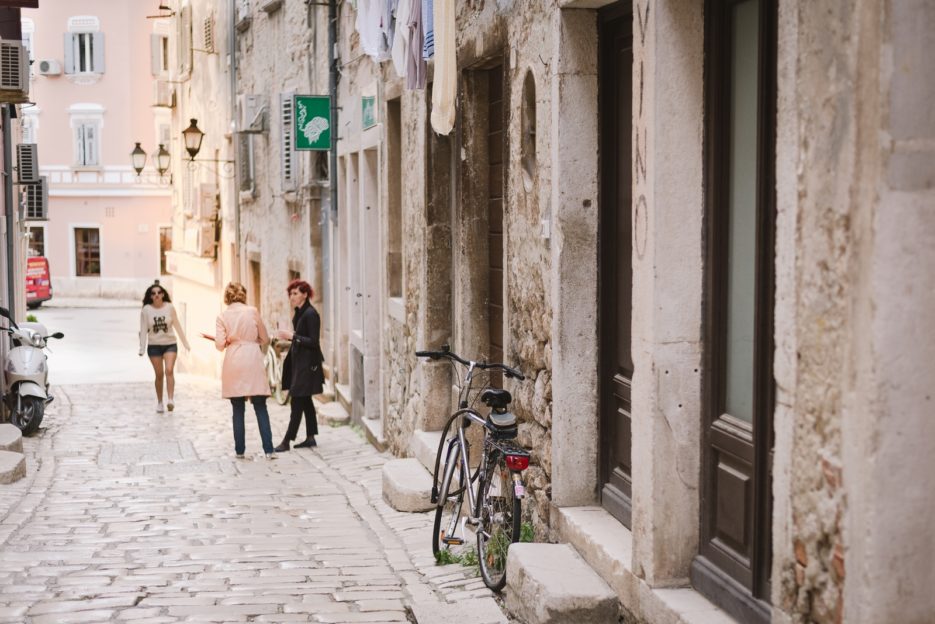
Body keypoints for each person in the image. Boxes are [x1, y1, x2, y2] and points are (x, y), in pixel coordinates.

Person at [214, 282, 276, 459]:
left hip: (233, 359)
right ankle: (269, 450)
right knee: (260, 406)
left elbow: (219, 344)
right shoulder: (252, 311)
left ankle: (240, 450)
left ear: (227, 297)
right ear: (243, 295)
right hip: (252, 358)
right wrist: (252, 339)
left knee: (238, 408)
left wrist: (228, 341)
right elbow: (264, 338)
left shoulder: (222, 316)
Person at [274, 279, 324, 451]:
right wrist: (291, 335)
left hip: (308, 365)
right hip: (300, 363)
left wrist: (292, 336)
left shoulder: (311, 314)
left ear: (305, 294)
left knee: (297, 402)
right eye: (291, 294)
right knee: (306, 400)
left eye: (295, 293)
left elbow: (314, 341)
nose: (292, 297)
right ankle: (311, 437)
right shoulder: (300, 312)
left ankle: (287, 440)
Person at [139, 280, 190, 413]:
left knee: (169, 370)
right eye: (153, 293)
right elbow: (143, 329)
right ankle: (160, 402)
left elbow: (177, 325)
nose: (156, 295)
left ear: (163, 295)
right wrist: (142, 348)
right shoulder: (146, 310)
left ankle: (171, 399)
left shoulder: (169, 307)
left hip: (169, 344)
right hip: (154, 345)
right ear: (150, 296)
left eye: (159, 292)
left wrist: (185, 343)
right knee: (159, 374)